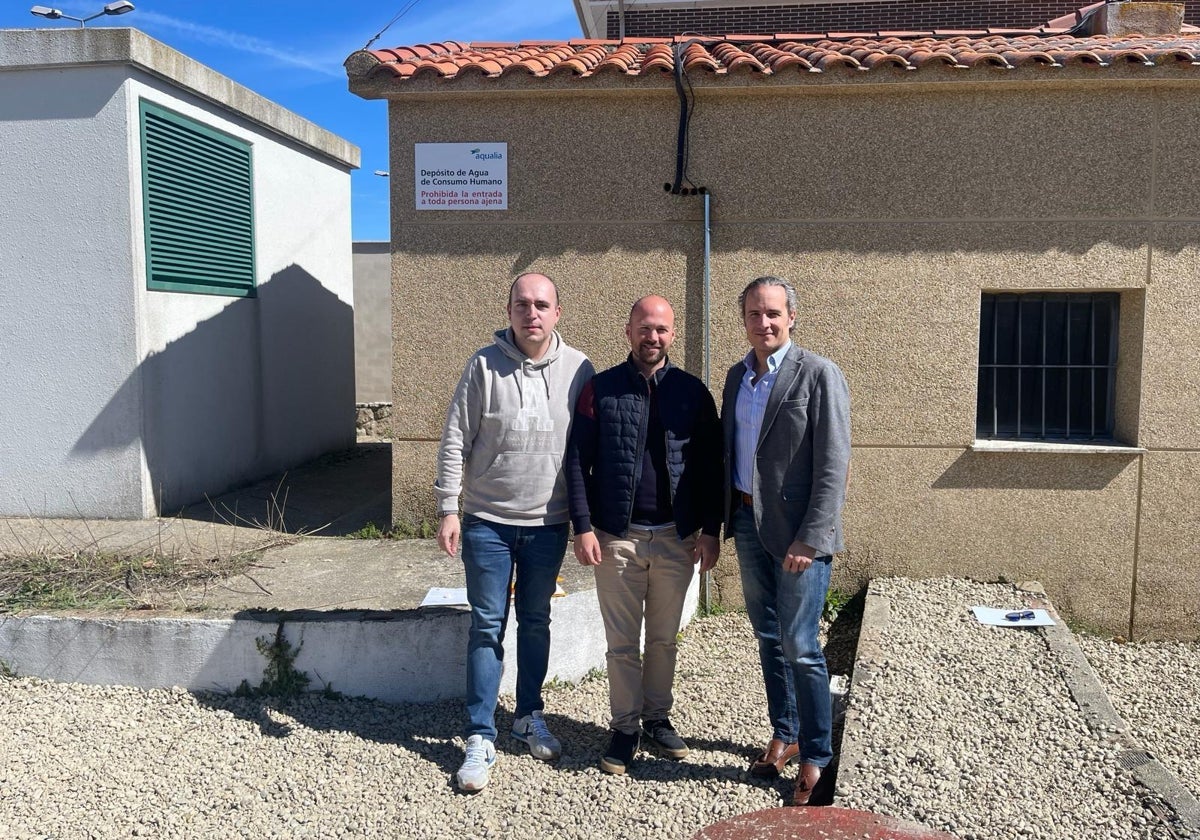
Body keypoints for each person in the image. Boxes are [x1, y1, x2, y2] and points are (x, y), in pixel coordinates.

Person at [434, 272, 594, 793]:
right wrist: (448, 507)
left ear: (557, 312)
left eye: (542, 304)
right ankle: (480, 733)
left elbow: (588, 451)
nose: (532, 313)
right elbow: (456, 436)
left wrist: (589, 522)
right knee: (486, 626)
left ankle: (527, 715)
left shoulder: (578, 369)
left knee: (536, 621)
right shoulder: (483, 364)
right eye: (522, 304)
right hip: (487, 523)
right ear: (509, 311)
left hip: (548, 524)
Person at [565, 295, 723, 775]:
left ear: (672, 334)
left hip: (677, 537)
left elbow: (714, 466)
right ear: (628, 330)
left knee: (663, 640)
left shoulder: (694, 393)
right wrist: (583, 527)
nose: (652, 337)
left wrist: (711, 530)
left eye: (661, 329)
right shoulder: (601, 389)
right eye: (644, 327)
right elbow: (577, 461)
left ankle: (656, 718)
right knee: (621, 643)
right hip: (618, 537)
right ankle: (624, 727)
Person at [721, 276, 851, 806]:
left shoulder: (818, 374)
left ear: (791, 317)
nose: (764, 323)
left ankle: (817, 755)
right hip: (749, 524)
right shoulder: (737, 377)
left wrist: (811, 538)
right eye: (754, 314)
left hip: (799, 537)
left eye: (773, 313)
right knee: (768, 637)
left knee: (801, 646)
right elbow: (731, 455)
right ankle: (786, 731)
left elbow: (833, 465)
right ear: (745, 320)